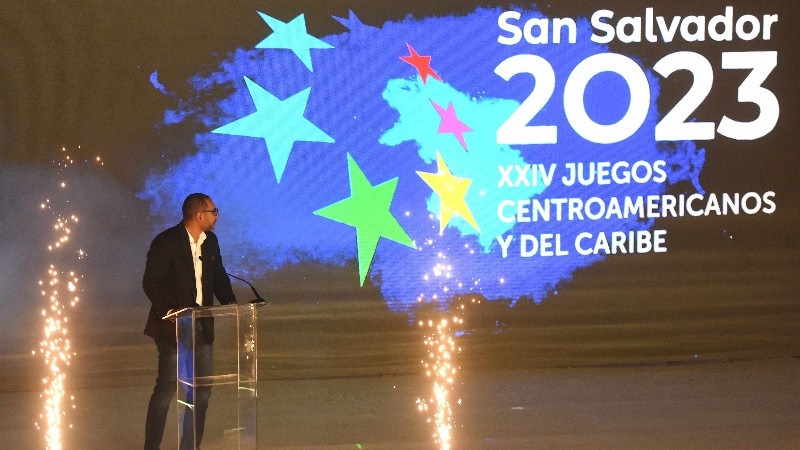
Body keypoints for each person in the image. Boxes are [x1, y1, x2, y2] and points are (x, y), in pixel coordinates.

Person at [143, 193, 237, 450]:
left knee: (202, 391)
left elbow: (218, 277)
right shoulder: (166, 242)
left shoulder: (211, 242)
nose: (217, 215)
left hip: (202, 326)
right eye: (213, 211)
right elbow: (151, 283)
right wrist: (172, 311)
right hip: (172, 327)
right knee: (166, 389)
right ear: (199, 215)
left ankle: (190, 446)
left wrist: (230, 302)